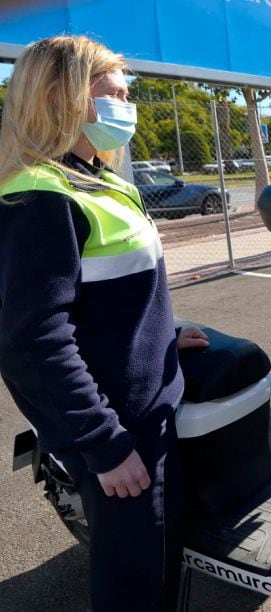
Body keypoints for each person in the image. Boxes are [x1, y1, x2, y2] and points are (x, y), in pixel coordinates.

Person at [0, 35, 209, 610]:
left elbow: (111, 295)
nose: (126, 108)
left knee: (162, 563)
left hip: (147, 411)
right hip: (120, 430)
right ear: (60, 97)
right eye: (111, 95)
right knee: (135, 584)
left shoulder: (97, 178)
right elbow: (35, 339)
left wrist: (163, 335)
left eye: (126, 93)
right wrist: (105, 443)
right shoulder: (41, 194)